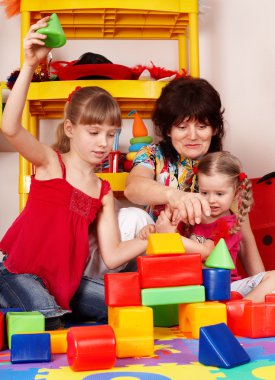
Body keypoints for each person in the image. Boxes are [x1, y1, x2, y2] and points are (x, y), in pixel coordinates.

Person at [0, 16, 148, 329]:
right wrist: (29, 65)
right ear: (70, 128)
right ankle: (25, 310)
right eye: (94, 132)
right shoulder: (51, 162)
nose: (104, 143)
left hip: (66, 286)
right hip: (18, 274)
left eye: (111, 134)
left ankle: (47, 312)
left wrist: (154, 236)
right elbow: (9, 126)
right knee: (49, 318)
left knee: (124, 304)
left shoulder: (102, 191)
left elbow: (113, 255)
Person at [124, 76, 265, 278]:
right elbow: (133, 187)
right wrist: (175, 196)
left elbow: (244, 238)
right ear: (168, 130)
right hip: (156, 255)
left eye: (202, 126)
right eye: (182, 127)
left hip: (199, 269)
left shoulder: (222, 168)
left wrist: (261, 287)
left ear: (215, 129)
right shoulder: (152, 154)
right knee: (132, 217)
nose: (192, 136)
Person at [140, 151, 275, 302]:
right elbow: (168, 242)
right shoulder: (191, 215)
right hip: (191, 286)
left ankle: (240, 307)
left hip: (225, 288)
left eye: (219, 194)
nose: (211, 200)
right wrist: (153, 230)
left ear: (236, 192)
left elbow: (207, 252)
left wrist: (171, 236)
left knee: (273, 278)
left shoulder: (228, 223)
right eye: (204, 193)